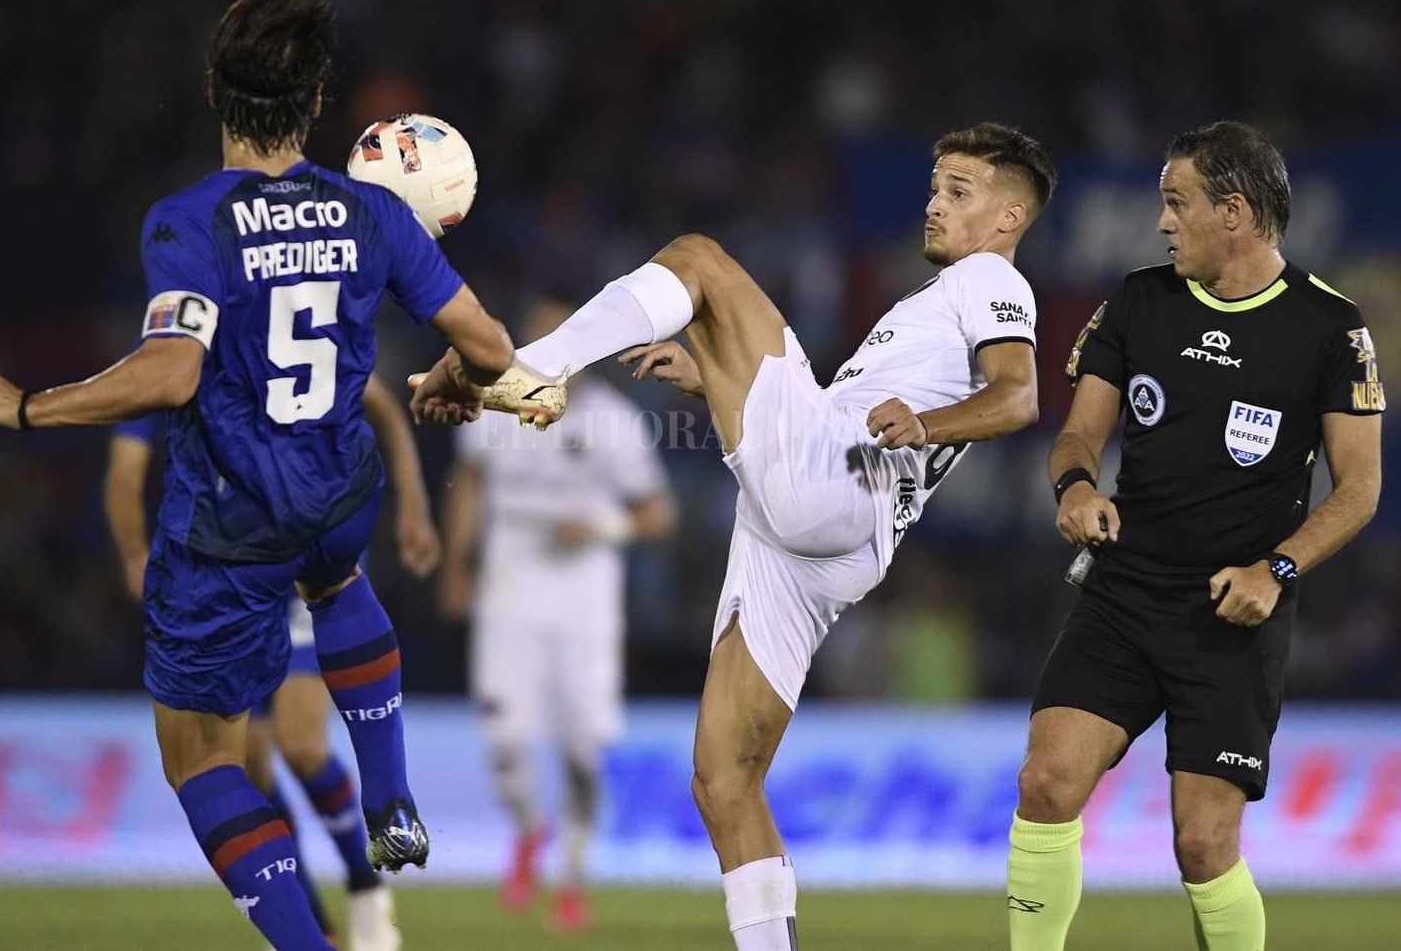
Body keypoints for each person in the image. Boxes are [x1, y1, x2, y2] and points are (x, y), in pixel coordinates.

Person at [0, 0, 515, 951]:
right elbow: (489, 346)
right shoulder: (373, 212)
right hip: (337, 491)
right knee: (337, 577)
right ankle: (392, 795)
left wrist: (27, 406)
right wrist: (454, 376)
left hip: (233, 524)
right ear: (318, 99)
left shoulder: (187, 221)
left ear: (214, 92)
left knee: (200, 755)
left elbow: (170, 371)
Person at [412, 123, 1055, 950]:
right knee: (723, 781)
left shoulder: (987, 282)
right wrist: (712, 372)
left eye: (958, 191)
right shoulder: (933, 304)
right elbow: (822, 410)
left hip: (839, 483)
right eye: (935, 185)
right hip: (830, 541)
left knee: (700, 259)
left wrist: (925, 422)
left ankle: (526, 367)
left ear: (1007, 217)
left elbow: (1019, 397)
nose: (934, 203)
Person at [1008, 121, 1385, 951]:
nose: (1160, 222)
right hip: (1122, 591)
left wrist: (1276, 568)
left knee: (1202, 841)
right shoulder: (1139, 300)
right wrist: (1074, 488)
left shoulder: (1329, 326)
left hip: (1232, 611)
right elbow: (1077, 437)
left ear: (1234, 212)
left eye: (1175, 203)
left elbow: (1359, 488)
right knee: (1045, 779)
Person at [105, 373, 439, 951]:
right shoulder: (177, 351)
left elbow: (381, 404)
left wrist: (413, 501)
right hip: (218, 574)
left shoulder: (273, 319)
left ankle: (365, 885)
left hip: (299, 559)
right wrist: (134, 552)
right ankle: (313, 928)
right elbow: (125, 467)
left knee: (302, 742)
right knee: (249, 770)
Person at [436, 296, 678, 932]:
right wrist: (457, 567)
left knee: (585, 749)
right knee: (504, 737)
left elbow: (658, 515)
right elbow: (472, 485)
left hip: (584, 589)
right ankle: (528, 830)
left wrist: (600, 525)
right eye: (538, 333)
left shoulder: (613, 421)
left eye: (559, 333)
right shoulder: (495, 405)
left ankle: (571, 877)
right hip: (511, 574)